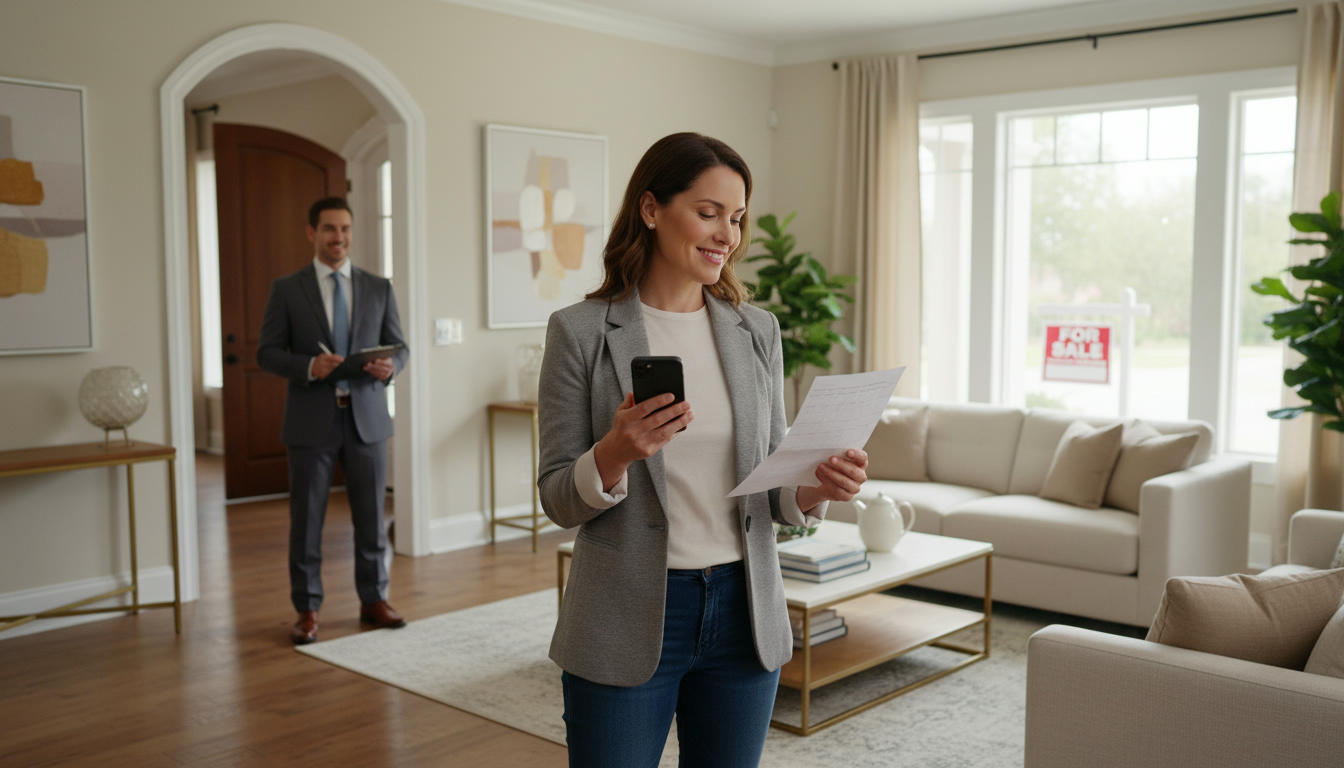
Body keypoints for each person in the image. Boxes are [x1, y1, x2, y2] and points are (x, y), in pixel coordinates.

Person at [537, 133, 869, 767]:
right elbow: (558, 496)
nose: (728, 235)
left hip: (744, 614)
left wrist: (817, 487)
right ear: (652, 208)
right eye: (709, 212)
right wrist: (615, 451)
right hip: (625, 614)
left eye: (737, 217)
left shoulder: (757, 331)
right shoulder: (579, 332)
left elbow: (772, 486)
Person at [257, 196, 410, 645]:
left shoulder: (378, 287)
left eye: (344, 229)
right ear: (312, 233)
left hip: (367, 420)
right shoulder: (287, 289)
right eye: (328, 229)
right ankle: (307, 610)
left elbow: (399, 347)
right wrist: (309, 367)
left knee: (370, 519)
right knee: (306, 522)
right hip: (310, 422)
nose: (337, 237)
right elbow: (266, 352)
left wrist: (391, 368)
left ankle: (374, 600)